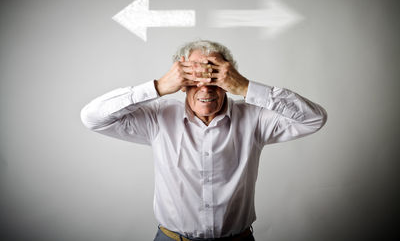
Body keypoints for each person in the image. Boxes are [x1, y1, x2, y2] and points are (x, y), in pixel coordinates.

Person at [80, 40, 327, 241]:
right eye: (195, 78)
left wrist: (246, 88)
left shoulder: (254, 118)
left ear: (228, 79)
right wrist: (157, 86)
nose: (206, 88)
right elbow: (93, 118)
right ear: (181, 83)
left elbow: (314, 119)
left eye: (215, 77)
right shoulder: (158, 118)